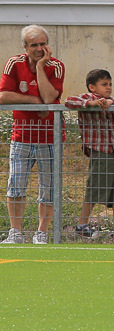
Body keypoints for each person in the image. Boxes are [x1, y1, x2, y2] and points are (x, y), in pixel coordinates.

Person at [0, 25, 65, 245]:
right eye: (34, 45)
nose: (39, 48)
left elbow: (49, 98)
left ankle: (42, 233)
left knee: (48, 188)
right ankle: (15, 232)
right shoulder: (14, 63)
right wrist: (33, 101)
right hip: (22, 136)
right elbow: (3, 96)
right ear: (25, 47)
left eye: (43, 44)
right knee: (15, 184)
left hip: (50, 137)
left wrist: (40, 67)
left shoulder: (56, 66)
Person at [65, 69, 114, 240]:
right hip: (100, 151)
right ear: (92, 87)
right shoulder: (87, 98)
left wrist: (111, 103)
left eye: (110, 84)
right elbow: (69, 101)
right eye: (104, 84)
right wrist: (92, 103)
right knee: (95, 187)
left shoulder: (110, 102)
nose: (108, 87)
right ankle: (82, 224)